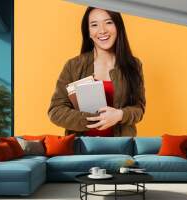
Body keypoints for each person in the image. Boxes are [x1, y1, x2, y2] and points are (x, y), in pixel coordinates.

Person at [48, 7, 145, 137]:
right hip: (81, 149)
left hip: (121, 148)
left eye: (109, 22)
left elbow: (139, 109)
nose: (102, 30)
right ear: (88, 31)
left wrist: (119, 115)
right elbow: (56, 111)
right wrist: (94, 119)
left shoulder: (133, 65)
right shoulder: (73, 66)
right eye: (94, 25)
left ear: (118, 27)